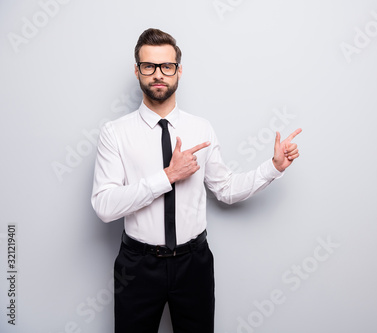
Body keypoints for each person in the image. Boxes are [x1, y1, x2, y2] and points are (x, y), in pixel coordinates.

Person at [91, 28, 301, 333]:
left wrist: (273, 167)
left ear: (179, 70)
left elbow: (226, 190)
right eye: (149, 66)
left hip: (194, 264)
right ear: (137, 70)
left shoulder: (200, 129)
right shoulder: (115, 133)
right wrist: (167, 176)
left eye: (167, 66)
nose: (158, 74)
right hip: (137, 266)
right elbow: (104, 207)